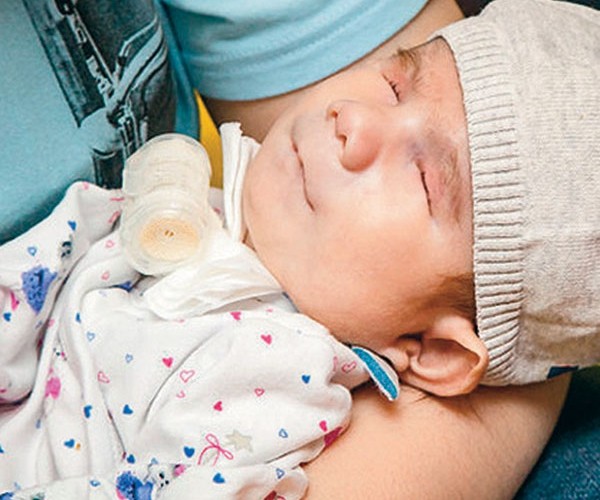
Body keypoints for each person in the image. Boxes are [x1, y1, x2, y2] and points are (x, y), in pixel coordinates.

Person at [0, 0, 576, 497]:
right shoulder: (197, 215)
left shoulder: (269, 384)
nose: (353, 118)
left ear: (434, 350)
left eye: (423, 179)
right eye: (394, 84)